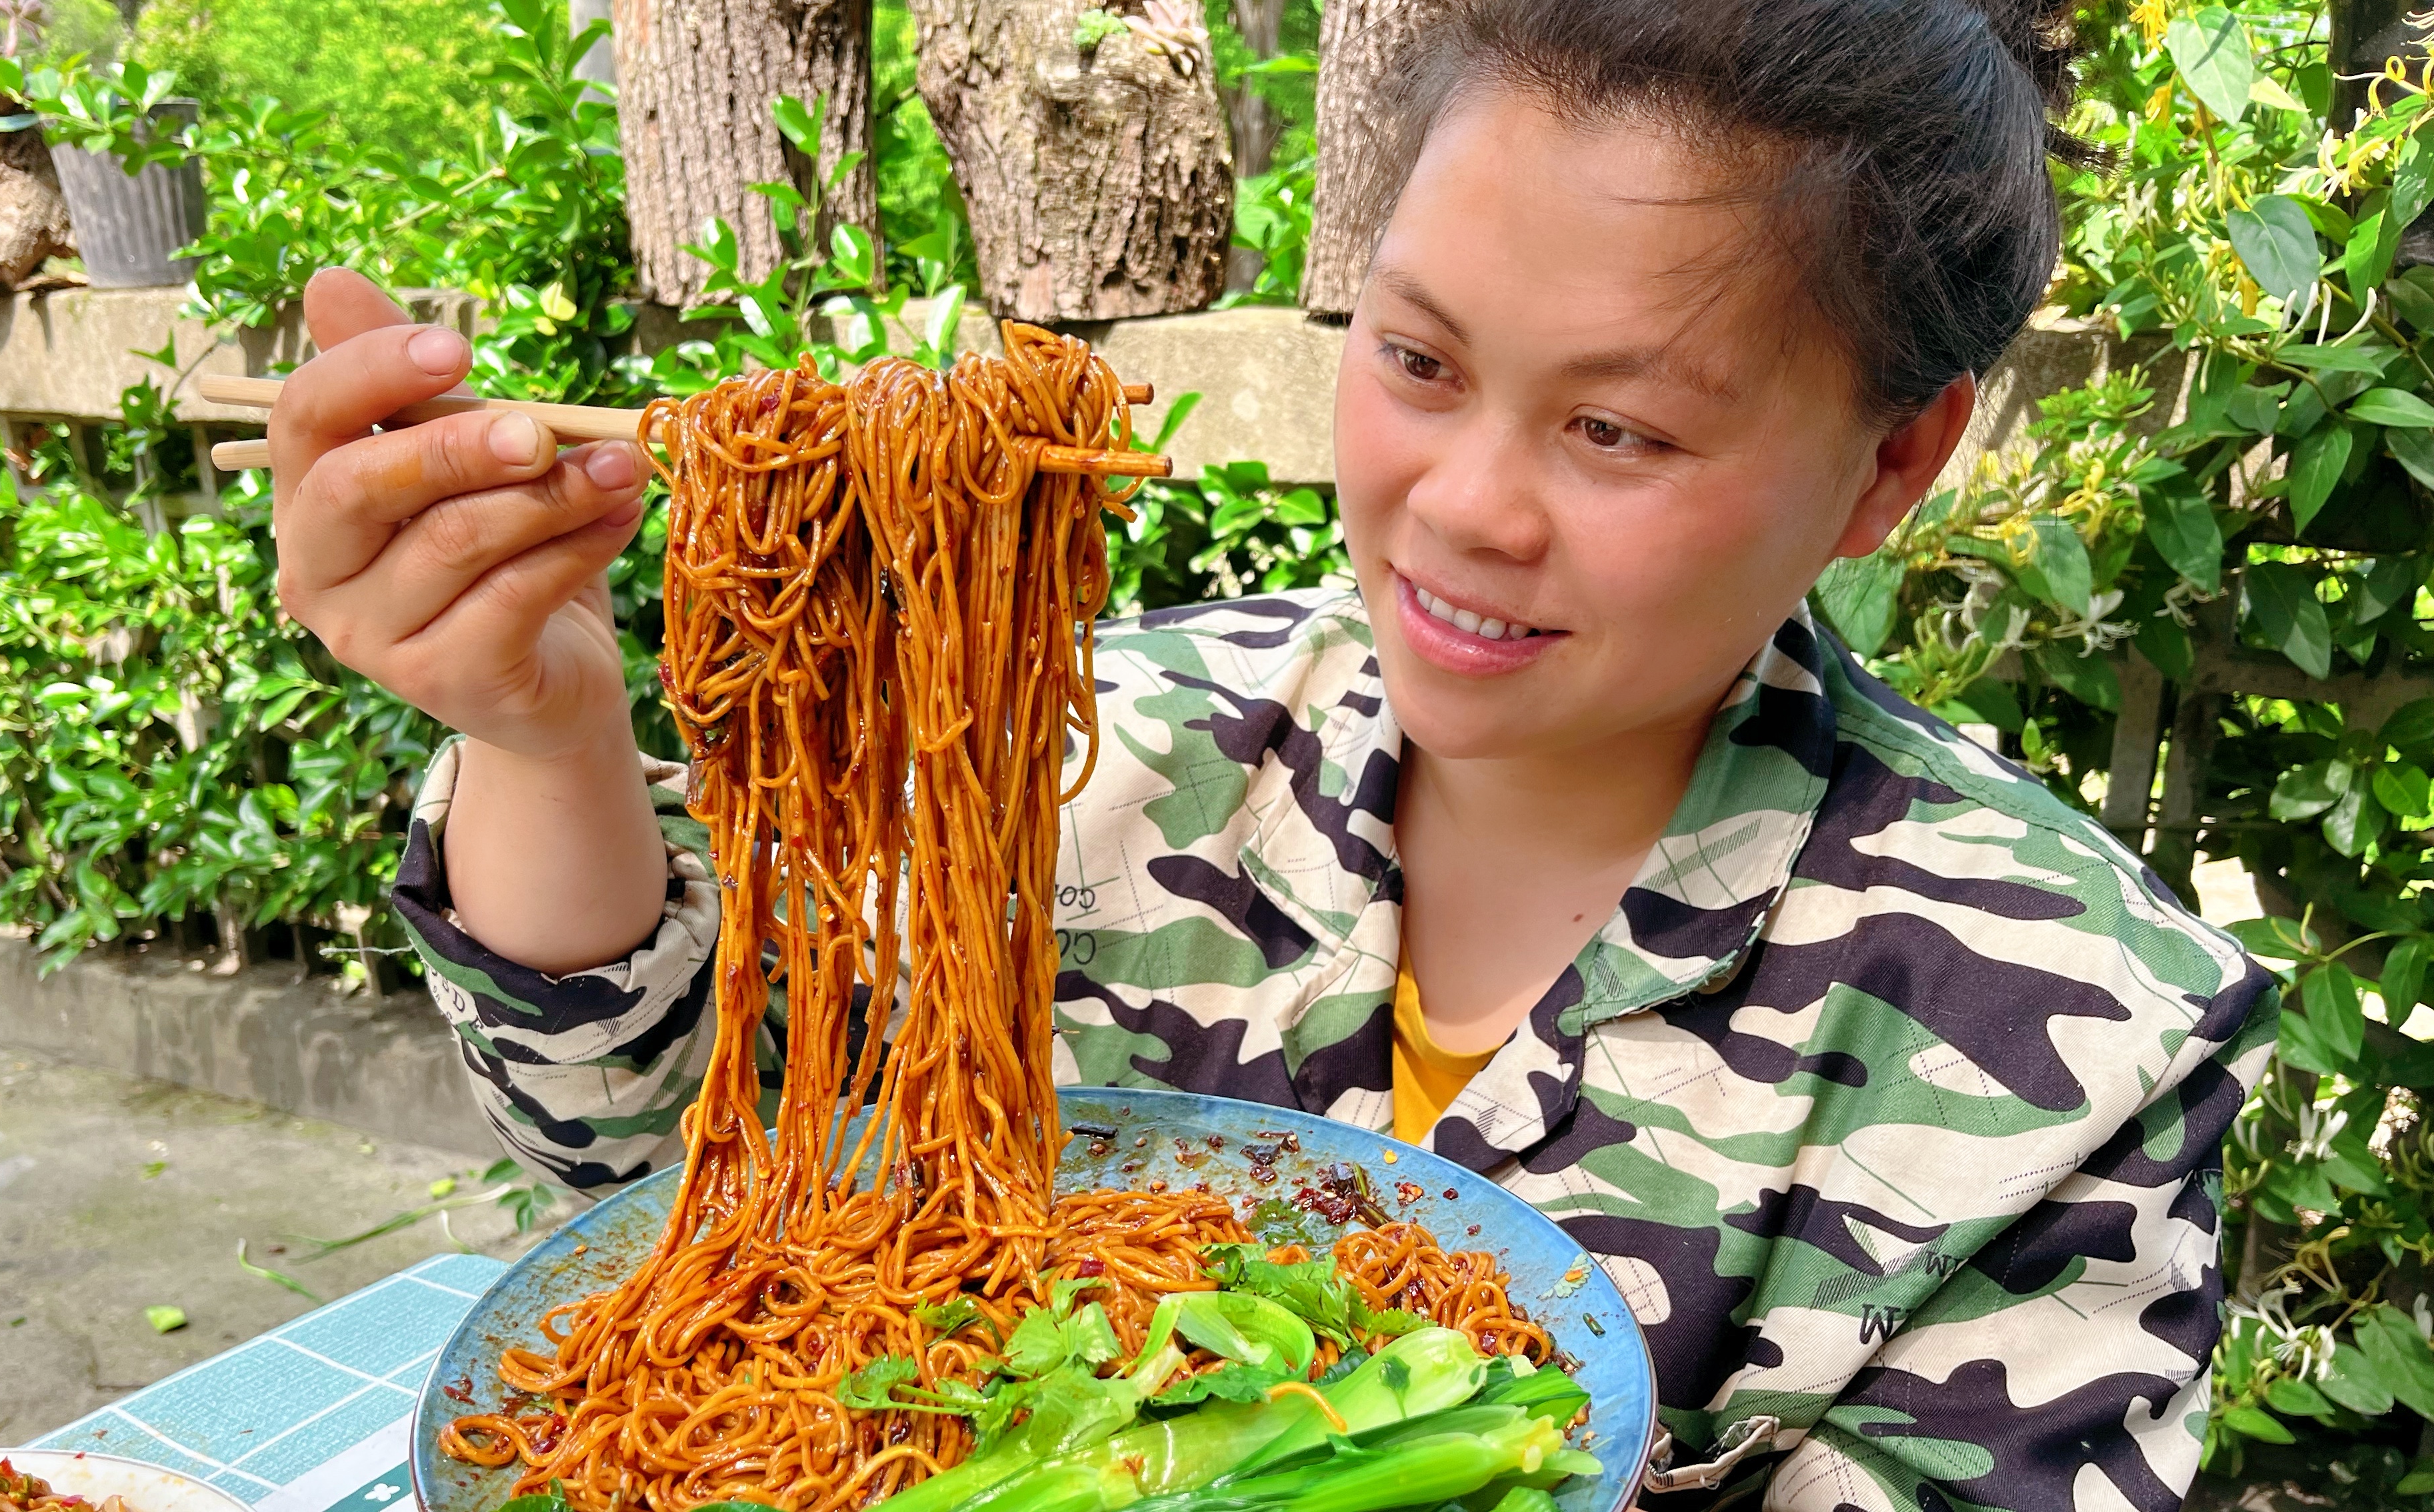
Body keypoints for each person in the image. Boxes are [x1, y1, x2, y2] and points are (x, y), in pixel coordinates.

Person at [263, 0, 2276, 1503]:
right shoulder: (1098, 747)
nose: (1463, 506)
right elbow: (681, 1189)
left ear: (1894, 459)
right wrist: (542, 726)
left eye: (1621, 428)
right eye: (1415, 360)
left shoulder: (2072, 1027)